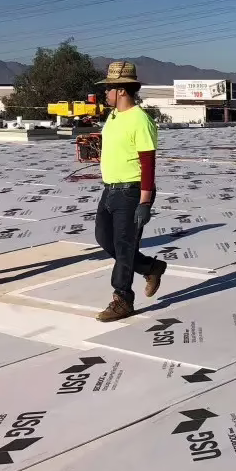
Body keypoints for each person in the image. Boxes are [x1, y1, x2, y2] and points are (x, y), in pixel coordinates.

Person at [94, 61, 166, 323]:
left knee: (124, 247)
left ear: (122, 90)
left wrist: (145, 201)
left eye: (109, 89)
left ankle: (122, 298)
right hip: (110, 190)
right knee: (104, 239)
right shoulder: (113, 117)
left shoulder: (140, 119)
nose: (105, 93)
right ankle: (150, 267)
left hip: (131, 192)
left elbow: (148, 161)